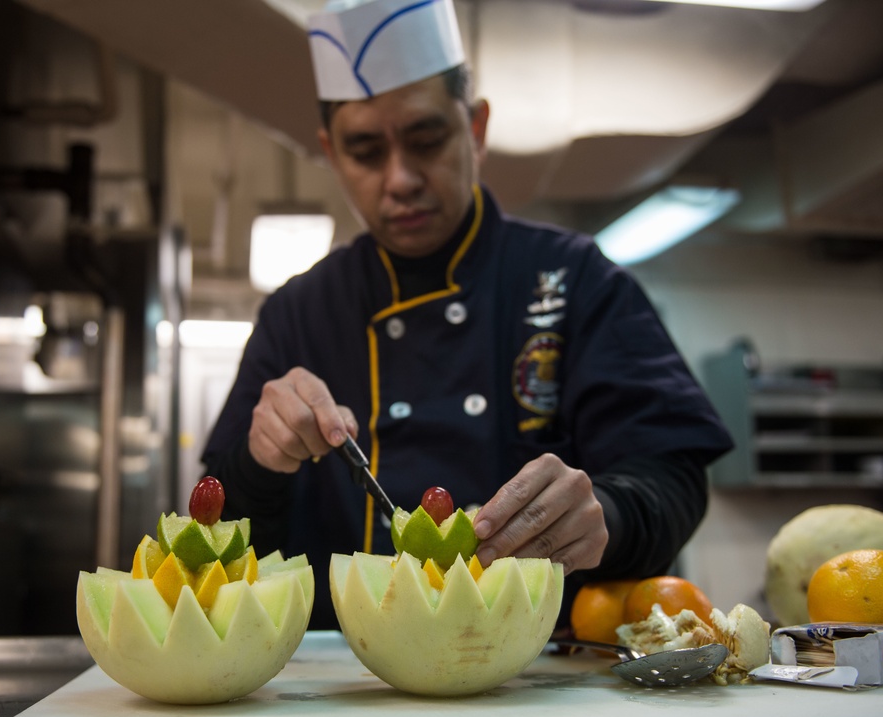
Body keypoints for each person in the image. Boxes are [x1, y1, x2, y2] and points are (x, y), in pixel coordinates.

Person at [202, 0, 733, 630]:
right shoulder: (299, 312)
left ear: (475, 129)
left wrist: (605, 515)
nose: (399, 179)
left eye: (426, 140)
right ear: (330, 153)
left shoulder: (573, 277)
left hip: (532, 673)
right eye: (366, 151)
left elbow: (671, 477)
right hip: (345, 678)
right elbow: (221, 527)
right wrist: (262, 460)